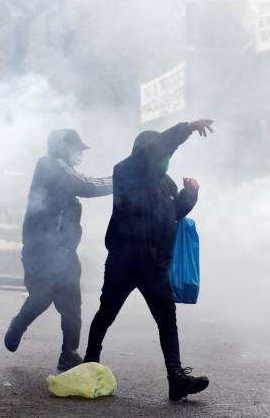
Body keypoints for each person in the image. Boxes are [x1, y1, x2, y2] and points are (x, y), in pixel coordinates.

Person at [83, 119, 215, 401]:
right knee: (106, 313)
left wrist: (189, 195)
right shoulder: (126, 172)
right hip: (124, 263)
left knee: (167, 320)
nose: (166, 158)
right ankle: (89, 364)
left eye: (169, 155)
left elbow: (173, 213)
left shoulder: (165, 182)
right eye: (163, 153)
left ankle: (176, 378)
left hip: (154, 268)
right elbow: (152, 150)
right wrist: (186, 128)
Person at [4, 129, 113, 371]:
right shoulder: (51, 164)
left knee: (72, 302)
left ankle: (69, 353)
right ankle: (19, 324)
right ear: (64, 147)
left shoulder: (64, 170)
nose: (81, 154)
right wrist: (121, 178)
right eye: (77, 149)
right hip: (41, 248)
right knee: (42, 297)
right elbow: (86, 184)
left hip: (64, 250)